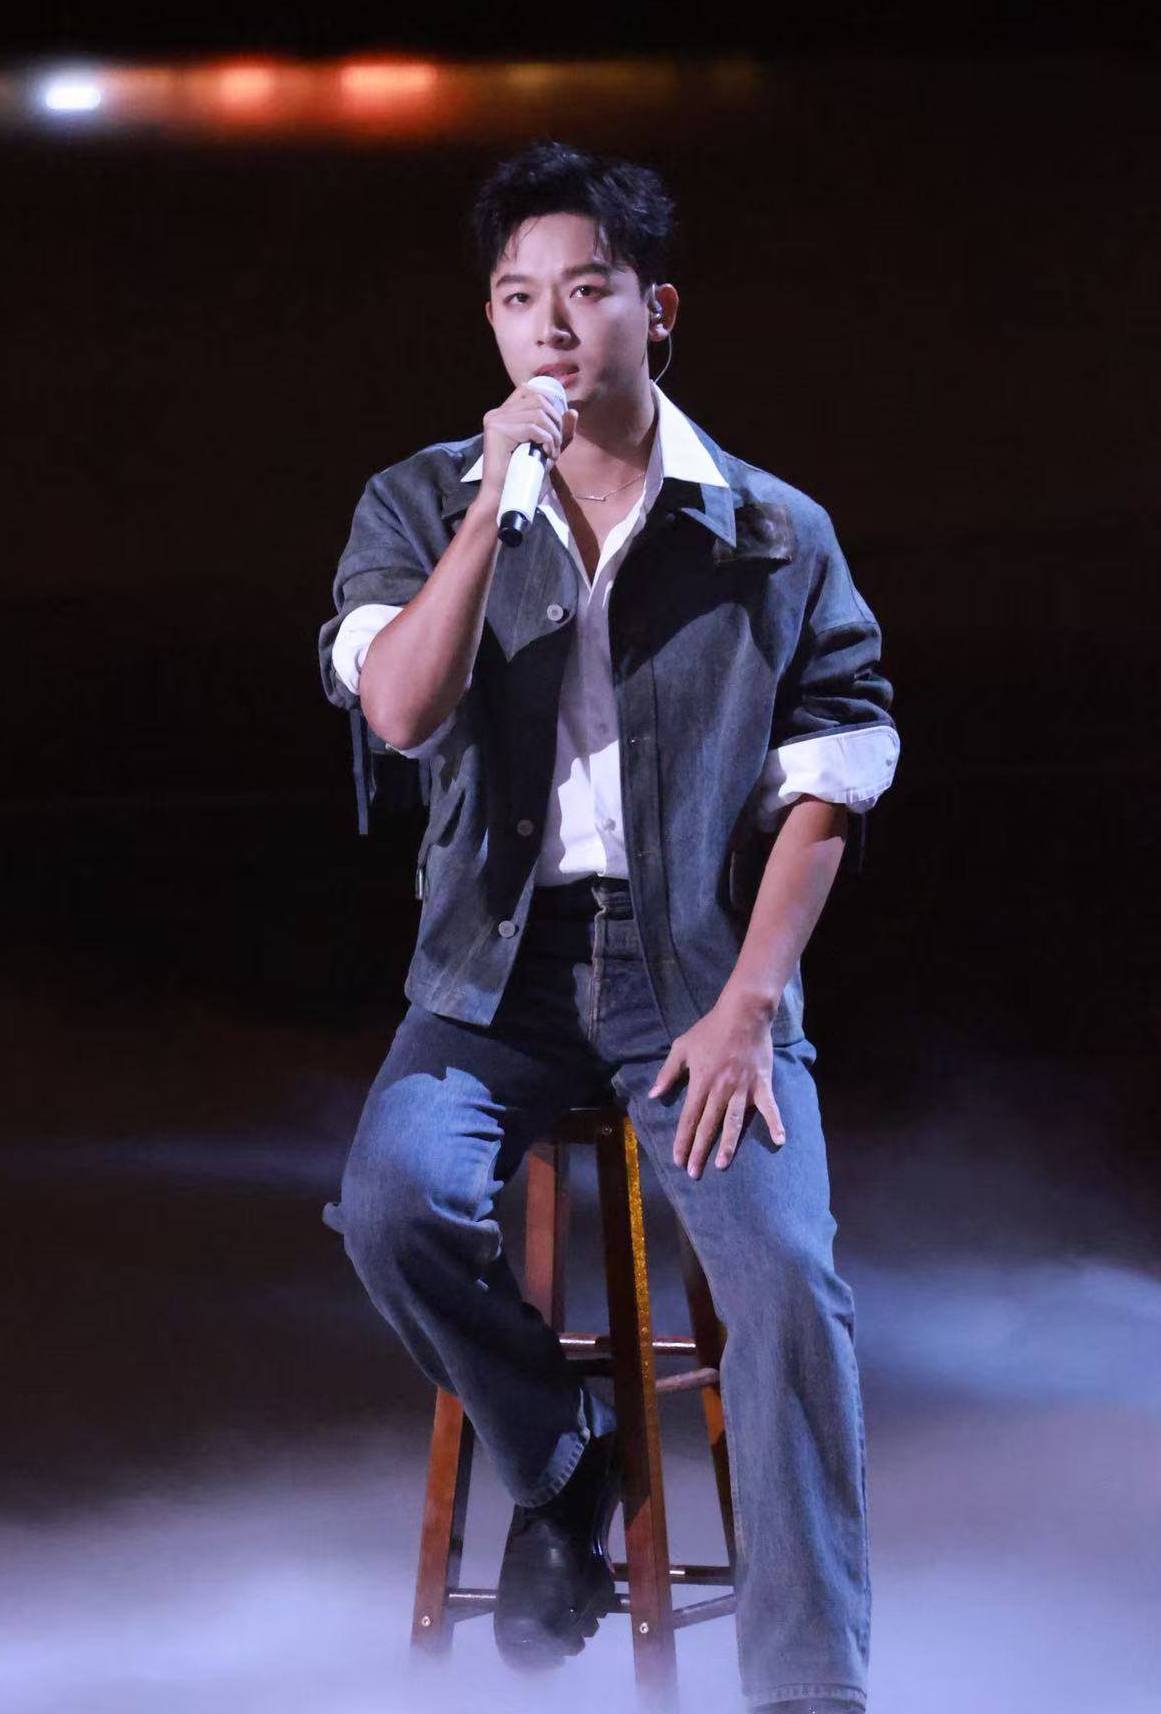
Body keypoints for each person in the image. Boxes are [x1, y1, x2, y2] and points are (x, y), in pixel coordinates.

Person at [317, 140, 899, 1713]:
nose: (553, 326)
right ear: (492, 323)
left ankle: (809, 1689)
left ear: (659, 307)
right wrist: (491, 509)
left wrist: (750, 1004)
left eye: (587, 290)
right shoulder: (421, 501)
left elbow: (833, 774)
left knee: (787, 1281)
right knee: (391, 1206)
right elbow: (399, 708)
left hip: (696, 971)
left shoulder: (768, 528)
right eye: (519, 299)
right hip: (491, 970)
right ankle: (566, 1461)